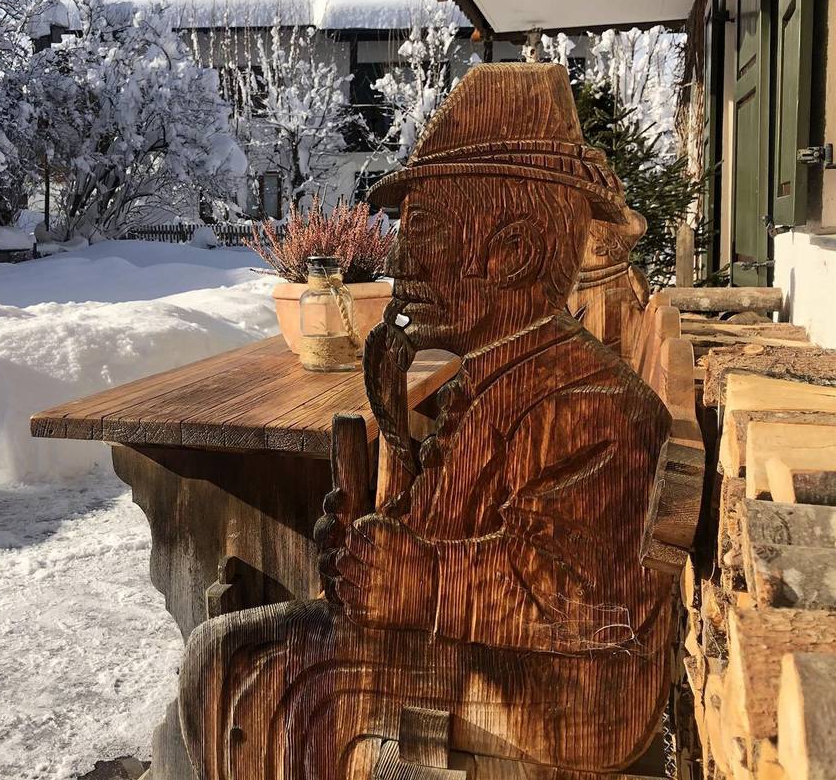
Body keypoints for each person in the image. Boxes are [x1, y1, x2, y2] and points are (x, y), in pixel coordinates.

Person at [172, 64, 674, 780]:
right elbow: (459, 514)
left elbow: (582, 597)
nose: (400, 259)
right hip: (502, 653)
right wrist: (381, 526)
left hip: (558, 693)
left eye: (427, 231)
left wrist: (424, 578)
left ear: (513, 253)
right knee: (226, 658)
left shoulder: (592, 405)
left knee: (252, 675)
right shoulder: (505, 376)